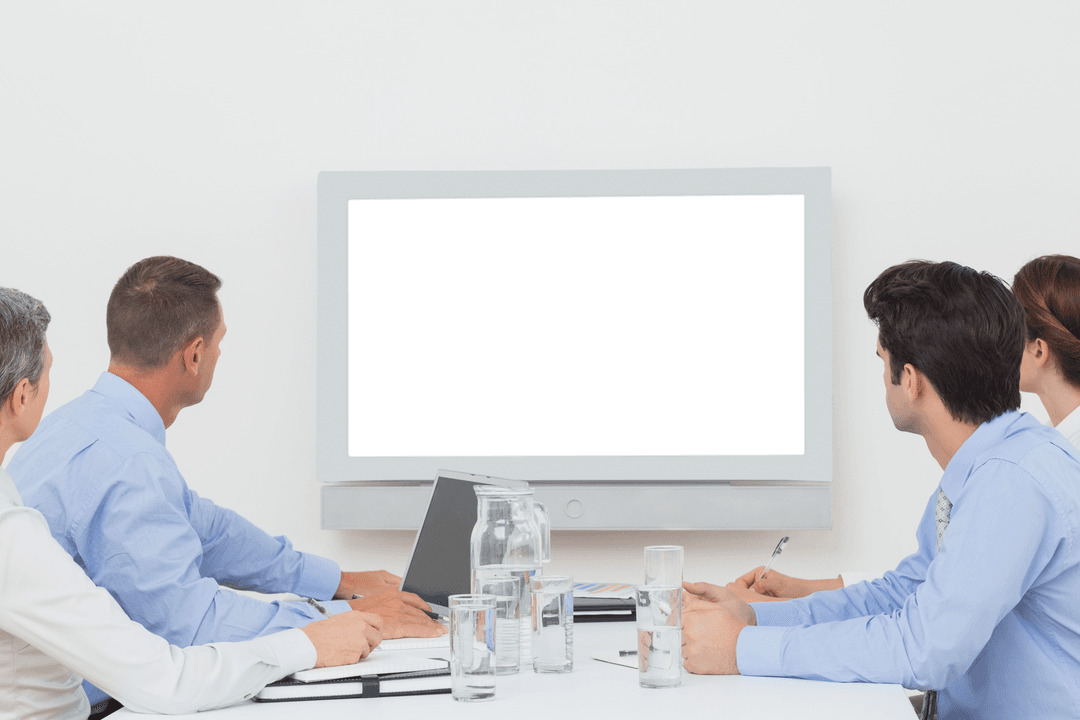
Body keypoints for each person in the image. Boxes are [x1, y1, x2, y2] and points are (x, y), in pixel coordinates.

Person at [8, 257, 443, 713]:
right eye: (218, 344)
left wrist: (338, 581)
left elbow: (206, 530)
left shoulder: (80, 424)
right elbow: (190, 625)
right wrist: (343, 620)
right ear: (193, 354)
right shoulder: (127, 461)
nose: (218, 355)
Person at [681, 261, 1080, 720]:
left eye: (882, 361)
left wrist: (741, 648)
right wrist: (753, 618)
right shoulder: (990, 466)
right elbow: (902, 596)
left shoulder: (1014, 481)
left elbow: (924, 647)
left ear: (910, 380)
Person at [733, 254, 1080, 602]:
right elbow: (929, 585)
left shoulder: (1022, 474)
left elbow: (927, 638)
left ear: (1038, 349)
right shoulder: (1016, 448)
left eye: (1012, 331)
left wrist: (749, 635)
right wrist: (789, 602)